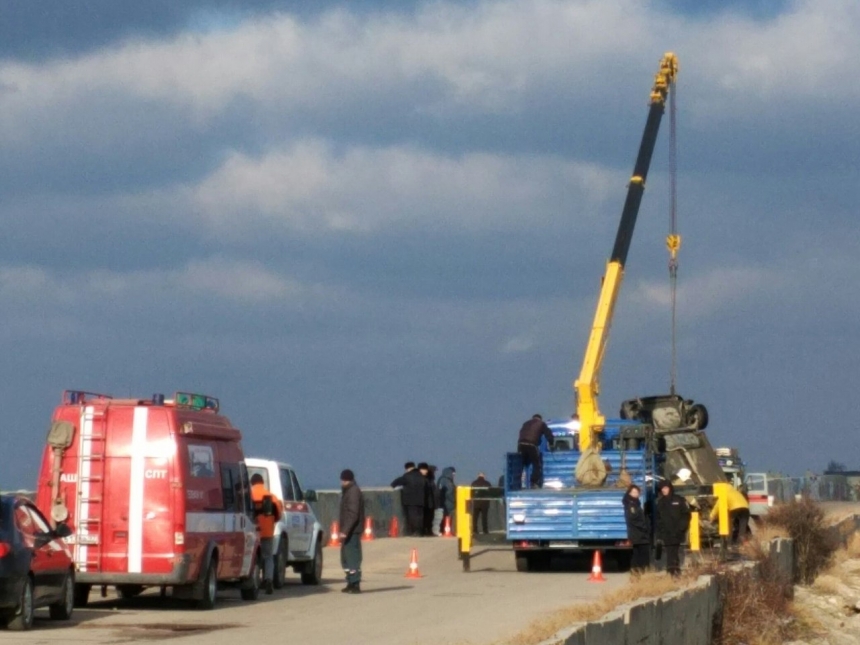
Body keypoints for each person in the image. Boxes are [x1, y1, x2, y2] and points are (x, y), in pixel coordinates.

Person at [250, 473, 284, 594]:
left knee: (254, 558)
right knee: (268, 557)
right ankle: (268, 579)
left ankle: (254, 580)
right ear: (262, 482)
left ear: (252, 483)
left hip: (252, 531)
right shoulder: (271, 497)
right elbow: (279, 514)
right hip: (268, 532)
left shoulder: (249, 495)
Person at [655, 480, 691, 576]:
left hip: (677, 531)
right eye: (662, 488)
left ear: (670, 488)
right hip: (666, 532)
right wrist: (660, 534)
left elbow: (686, 515)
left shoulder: (679, 500)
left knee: (674, 550)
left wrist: (681, 527)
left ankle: (674, 569)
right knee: (670, 551)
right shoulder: (660, 502)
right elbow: (658, 519)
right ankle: (672, 570)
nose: (664, 490)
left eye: (666, 488)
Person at [338, 469, 365, 594]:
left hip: (352, 531)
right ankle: (350, 582)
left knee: (352, 557)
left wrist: (345, 530)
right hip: (349, 530)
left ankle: (355, 583)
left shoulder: (353, 492)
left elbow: (353, 514)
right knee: (346, 558)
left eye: (342, 480)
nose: (341, 482)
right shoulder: (348, 490)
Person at [517, 414, 555, 488]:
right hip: (531, 445)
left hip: (521, 445)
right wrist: (551, 443)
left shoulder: (526, 423)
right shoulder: (541, 424)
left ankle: (518, 482)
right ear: (540, 419)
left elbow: (521, 433)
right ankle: (533, 482)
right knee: (536, 464)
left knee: (521, 464)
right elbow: (548, 434)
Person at [391, 462, 428, 536]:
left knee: (412, 516)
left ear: (407, 469)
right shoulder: (422, 476)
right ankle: (419, 532)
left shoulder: (407, 476)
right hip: (421, 500)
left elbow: (394, 483)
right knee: (420, 516)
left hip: (409, 500)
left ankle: (413, 532)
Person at [622, 484, 651, 573]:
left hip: (639, 534)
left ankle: (639, 572)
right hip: (638, 534)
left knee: (638, 554)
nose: (636, 494)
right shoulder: (631, 505)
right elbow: (633, 519)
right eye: (633, 492)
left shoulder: (635, 503)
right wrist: (644, 527)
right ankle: (639, 572)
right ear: (629, 493)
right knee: (641, 554)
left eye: (637, 492)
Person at [419, 463, 437, 537]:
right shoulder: (428, 480)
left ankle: (428, 530)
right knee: (427, 517)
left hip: (430, 502)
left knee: (430, 517)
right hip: (428, 502)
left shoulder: (430, 480)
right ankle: (426, 531)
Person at [438, 467, 456, 534]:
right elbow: (449, 493)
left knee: (442, 517)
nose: (454, 475)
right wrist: (455, 500)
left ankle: (443, 530)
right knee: (448, 517)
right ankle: (447, 531)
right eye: (453, 474)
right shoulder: (448, 481)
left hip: (442, 502)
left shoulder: (441, 479)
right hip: (448, 504)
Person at [429, 465, 444, 536]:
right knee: (435, 519)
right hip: (433, 502)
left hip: (432, 502)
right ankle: (433, 532)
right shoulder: (430, 481)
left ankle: (432, 531)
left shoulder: (431, 481)